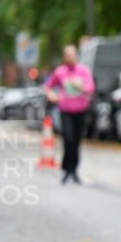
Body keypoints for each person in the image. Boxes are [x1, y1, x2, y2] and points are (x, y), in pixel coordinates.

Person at [44, 45, 95, 184]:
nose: (70, 58)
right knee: (68, 138)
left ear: (76, 56)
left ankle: (74, 170)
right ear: (64, 57)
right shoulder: (60, 72)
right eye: (67, 55)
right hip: (65, 110)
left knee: (77, 141)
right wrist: (52, 95)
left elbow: (90, 88)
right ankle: (67, 168)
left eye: (72, 55)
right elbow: (47, 86)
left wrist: (80, 86)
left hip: (81, 110)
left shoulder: (84, 71)